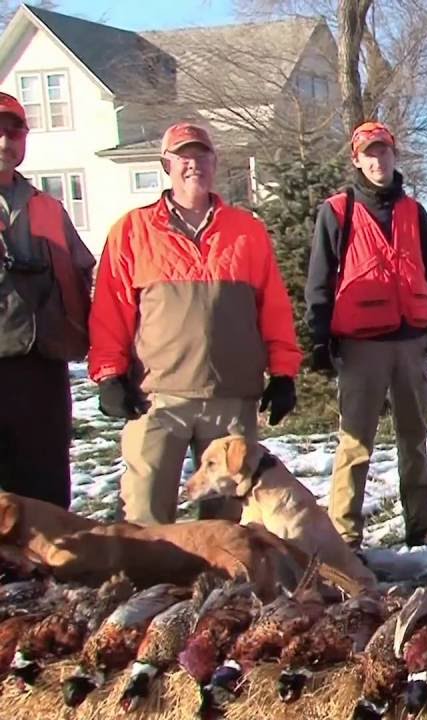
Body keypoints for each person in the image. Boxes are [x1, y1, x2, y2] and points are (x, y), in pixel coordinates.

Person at [89, 122, 301, 525]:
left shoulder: (246, 231)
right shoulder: (133, 231)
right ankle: (148, 585)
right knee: (146, 510)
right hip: (157, 396)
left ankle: (225, 588)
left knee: (229, 521)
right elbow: (110, 309)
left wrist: (284, 373)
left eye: (202, 156)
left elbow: (273, 308)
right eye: (184, 157)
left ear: (215, 163)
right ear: (165, 164)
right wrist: (109, 375)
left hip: (231, 398)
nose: (193, 165)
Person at [304, 121, 427, 549]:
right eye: (369, 153)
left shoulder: (414, 212)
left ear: (394, 155)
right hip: (360, 345)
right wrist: (318, 338)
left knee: (415, 440)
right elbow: (320, 280)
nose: (377, 159)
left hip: (410, 343)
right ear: (356, 159)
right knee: (354, 444)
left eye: (383, 151)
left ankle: (423, 526)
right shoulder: (337, 211)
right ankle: (344, 533)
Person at [0, 92, 94, 509]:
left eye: (13, 131)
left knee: (46, 483)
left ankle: (43, 570)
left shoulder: (48, 207)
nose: (5, 141)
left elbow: (81, 273)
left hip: (43, 363)